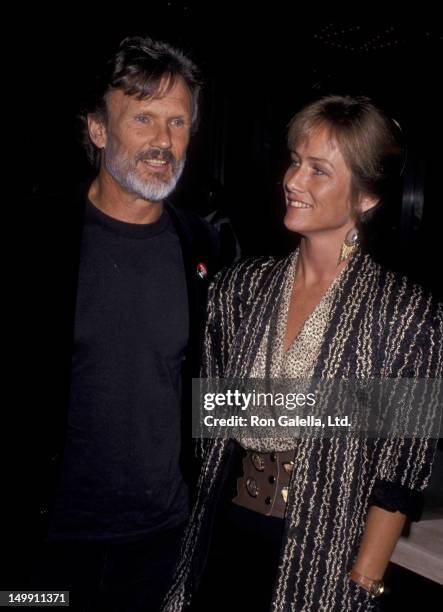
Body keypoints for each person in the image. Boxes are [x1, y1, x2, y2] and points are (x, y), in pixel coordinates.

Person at [162, 95, 442, 611]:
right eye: (295, 161)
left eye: (318, 171)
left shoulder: (405, 315)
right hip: (219, 541)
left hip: (321, 565)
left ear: (366, 197)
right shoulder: (240, 288)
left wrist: (363, 582)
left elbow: (398, 474)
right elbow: (210, 429)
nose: (293, 181)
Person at [9, 35, 228, 611]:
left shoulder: (205, 248)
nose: (163, 141)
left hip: (158, 546)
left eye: (177, 121)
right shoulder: (35, 243)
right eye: (144, 119)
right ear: (99, 130)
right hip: (44, 550)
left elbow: (220, 393)